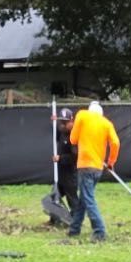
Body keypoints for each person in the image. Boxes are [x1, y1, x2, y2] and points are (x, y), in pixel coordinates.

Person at [66, 99, 120, 243]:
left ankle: (99, 231)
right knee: (84, 198)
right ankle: (74, 229)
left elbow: (73, 139)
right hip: (98, 167)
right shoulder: (107, 123)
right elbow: (115, 143)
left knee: (88, 199)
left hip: (85, 165)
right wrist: (111, 162)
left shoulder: (82, 115)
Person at [55, 107, 78, 212]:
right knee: (54, 196)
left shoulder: (74, 137)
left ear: (72, 121)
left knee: (72, 200)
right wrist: (54, 121)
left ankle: (75, 221)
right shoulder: (62, 131)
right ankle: (55, 219)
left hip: (70, 174)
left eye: (66, 122)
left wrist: (60, 158)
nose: (64, 124)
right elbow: (57, 129)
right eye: (62, 122)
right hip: (61, 174)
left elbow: (75, 157)